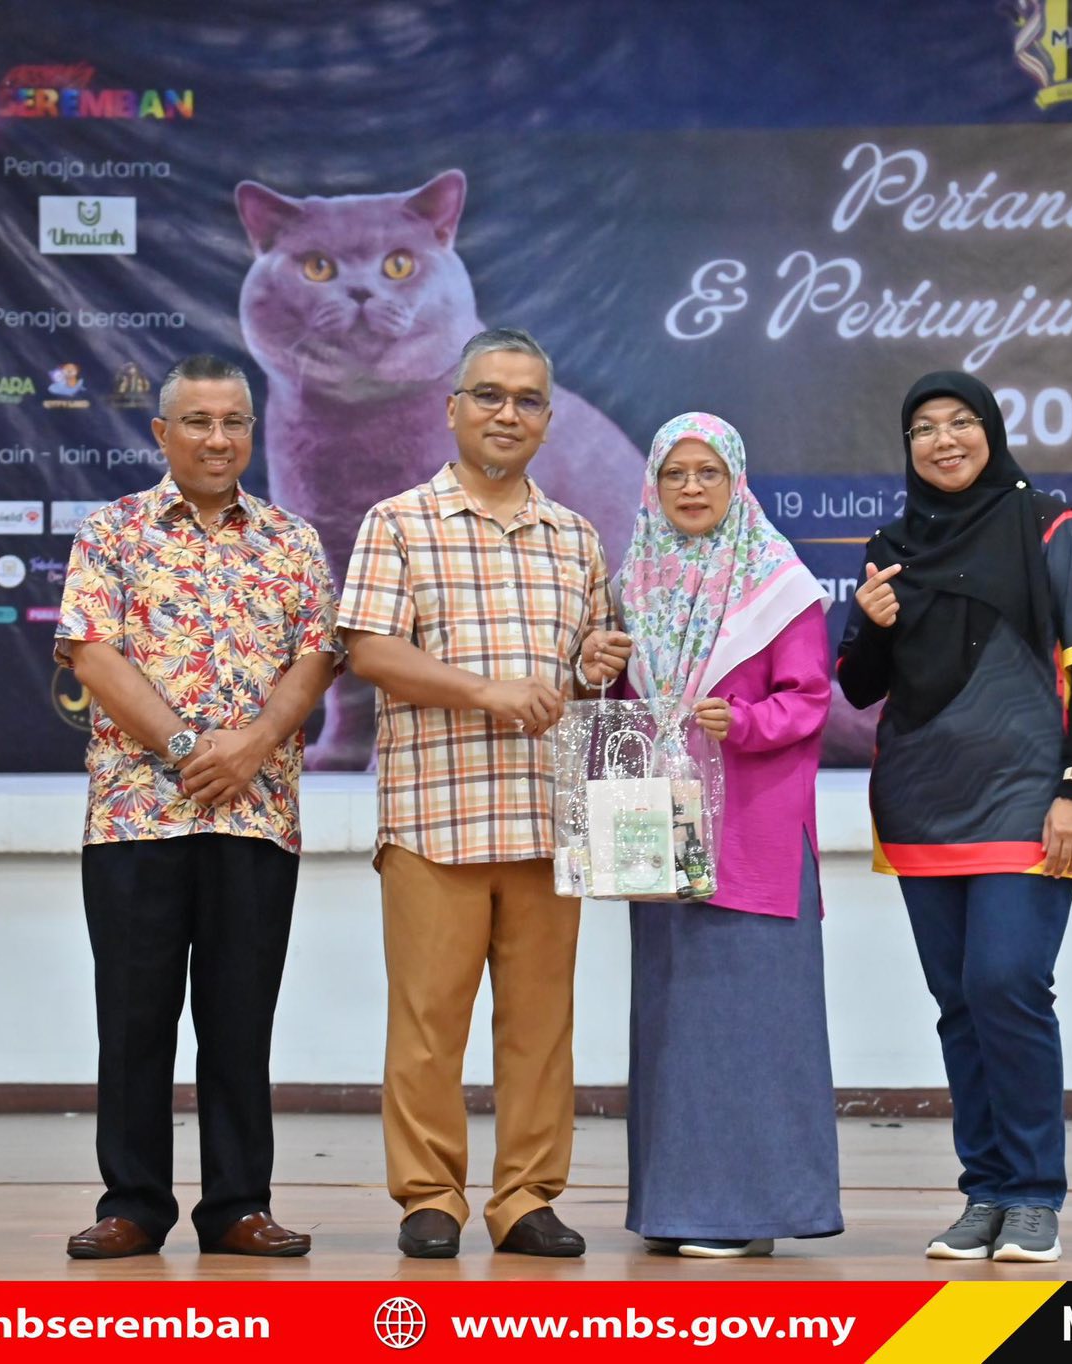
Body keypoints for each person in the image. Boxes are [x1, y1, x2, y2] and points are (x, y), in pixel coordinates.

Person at [54, 354, 338, 1260]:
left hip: (256, 815)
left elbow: (317, 658)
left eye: (234, 422)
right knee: (133, 1018)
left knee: (240, 1020)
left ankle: (238, 1206)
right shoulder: (113, 531)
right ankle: (134, 1205)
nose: (219, 439)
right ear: (162, 433)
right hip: (137, 816)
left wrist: (252, 746)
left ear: (252, 431)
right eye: (199, 421)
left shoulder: (292, 540)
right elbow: (93, 654)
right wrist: (186, 750)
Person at [336, 327, 612, 1259]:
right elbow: (371, 652)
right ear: (452, 408)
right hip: (435, 816)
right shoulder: (398, 522)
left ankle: (526, 1198)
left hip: (546, 819)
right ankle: (430, 1197)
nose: (507, 413)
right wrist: (487, 692)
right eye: (488, 395)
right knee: (427, 1027)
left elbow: (588, 673)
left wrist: (597, 661)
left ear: (548, 420)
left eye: (527, 400)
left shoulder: (576, 537)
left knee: (541, 1029)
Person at [836, 370, 1072, 1264]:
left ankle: (1034, 1194)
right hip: (919, 803)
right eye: (924, 427)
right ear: (908, 447)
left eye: (961, 421)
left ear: (991, 431)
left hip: (1029, 796)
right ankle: (986, 1192)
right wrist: (870, 623)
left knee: (1007, 985)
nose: (944, 439)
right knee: (960, 1004)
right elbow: (860, 687)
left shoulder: (1052, 527)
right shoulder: (891, 546)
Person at [580, 413, 843, 1259]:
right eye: (675, 474)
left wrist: (746, 721)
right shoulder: (632, 585)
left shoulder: (778, 584)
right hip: (658, 825)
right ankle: (677, 1208)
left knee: (750, 1021)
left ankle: (745, 1214)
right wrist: (595, 669)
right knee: (672, 1020)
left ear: (737, 483)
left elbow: (810, 700)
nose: (690, 488)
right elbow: (621, 711)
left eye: (708, 473)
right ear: (652, 486)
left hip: (753, 832)